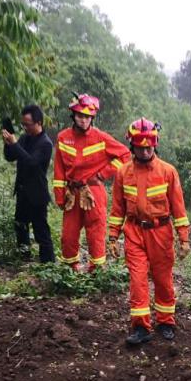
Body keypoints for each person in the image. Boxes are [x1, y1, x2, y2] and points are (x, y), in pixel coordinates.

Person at [108, 118, 191, 345]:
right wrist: (113, 236)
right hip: (134, 231)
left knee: (163, 279)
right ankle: (141, 327)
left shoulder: (168, 172)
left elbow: (179, 208)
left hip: (161, 232)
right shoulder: (123, 173)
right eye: (140, 147)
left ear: (155, 144)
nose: (145, 151)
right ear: (132, 146)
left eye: (148, 147)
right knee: (137, 280)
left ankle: (166, 321)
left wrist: (183, 238)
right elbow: (117, 208)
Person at [52, 93, 131, 271]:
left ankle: (96, 270)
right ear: (74, 116)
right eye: (80, 116)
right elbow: (59, 171)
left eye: (87, 117)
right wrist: (59, 196)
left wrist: (103, 175)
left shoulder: (101, 137)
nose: (83, 120)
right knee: (69, 234)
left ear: (92, 117)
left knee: (96, 231)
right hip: (72, 192)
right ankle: (70, 268)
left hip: (93, 191)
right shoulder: (63, 137)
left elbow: (125, 155)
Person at [2, 104, 55, 263]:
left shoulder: (45, 143)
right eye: (23, 124)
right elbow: (11, 157)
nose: (25, 127)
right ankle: (23, 260)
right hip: (23, 192)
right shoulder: (25, 138)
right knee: (20, 227)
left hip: (37, 194)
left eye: (27, 124)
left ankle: (48, 264)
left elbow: (31, 162)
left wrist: (15, 144)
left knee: (41, 232)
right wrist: (8, 142)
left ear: (38, 122)